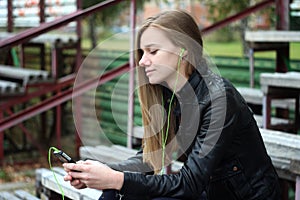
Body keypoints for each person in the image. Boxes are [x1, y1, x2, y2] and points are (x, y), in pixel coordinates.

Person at [63, 10, 281, 200]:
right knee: (119, 192)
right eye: (142, 52)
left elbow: (189, 184)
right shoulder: (169, 94)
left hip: (244, 196)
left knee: (122, 188)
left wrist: (116, 179)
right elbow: (149, 159)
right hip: (210, 192)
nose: (141, 61)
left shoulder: (218, 99)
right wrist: (99, 172)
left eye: (153, 51)